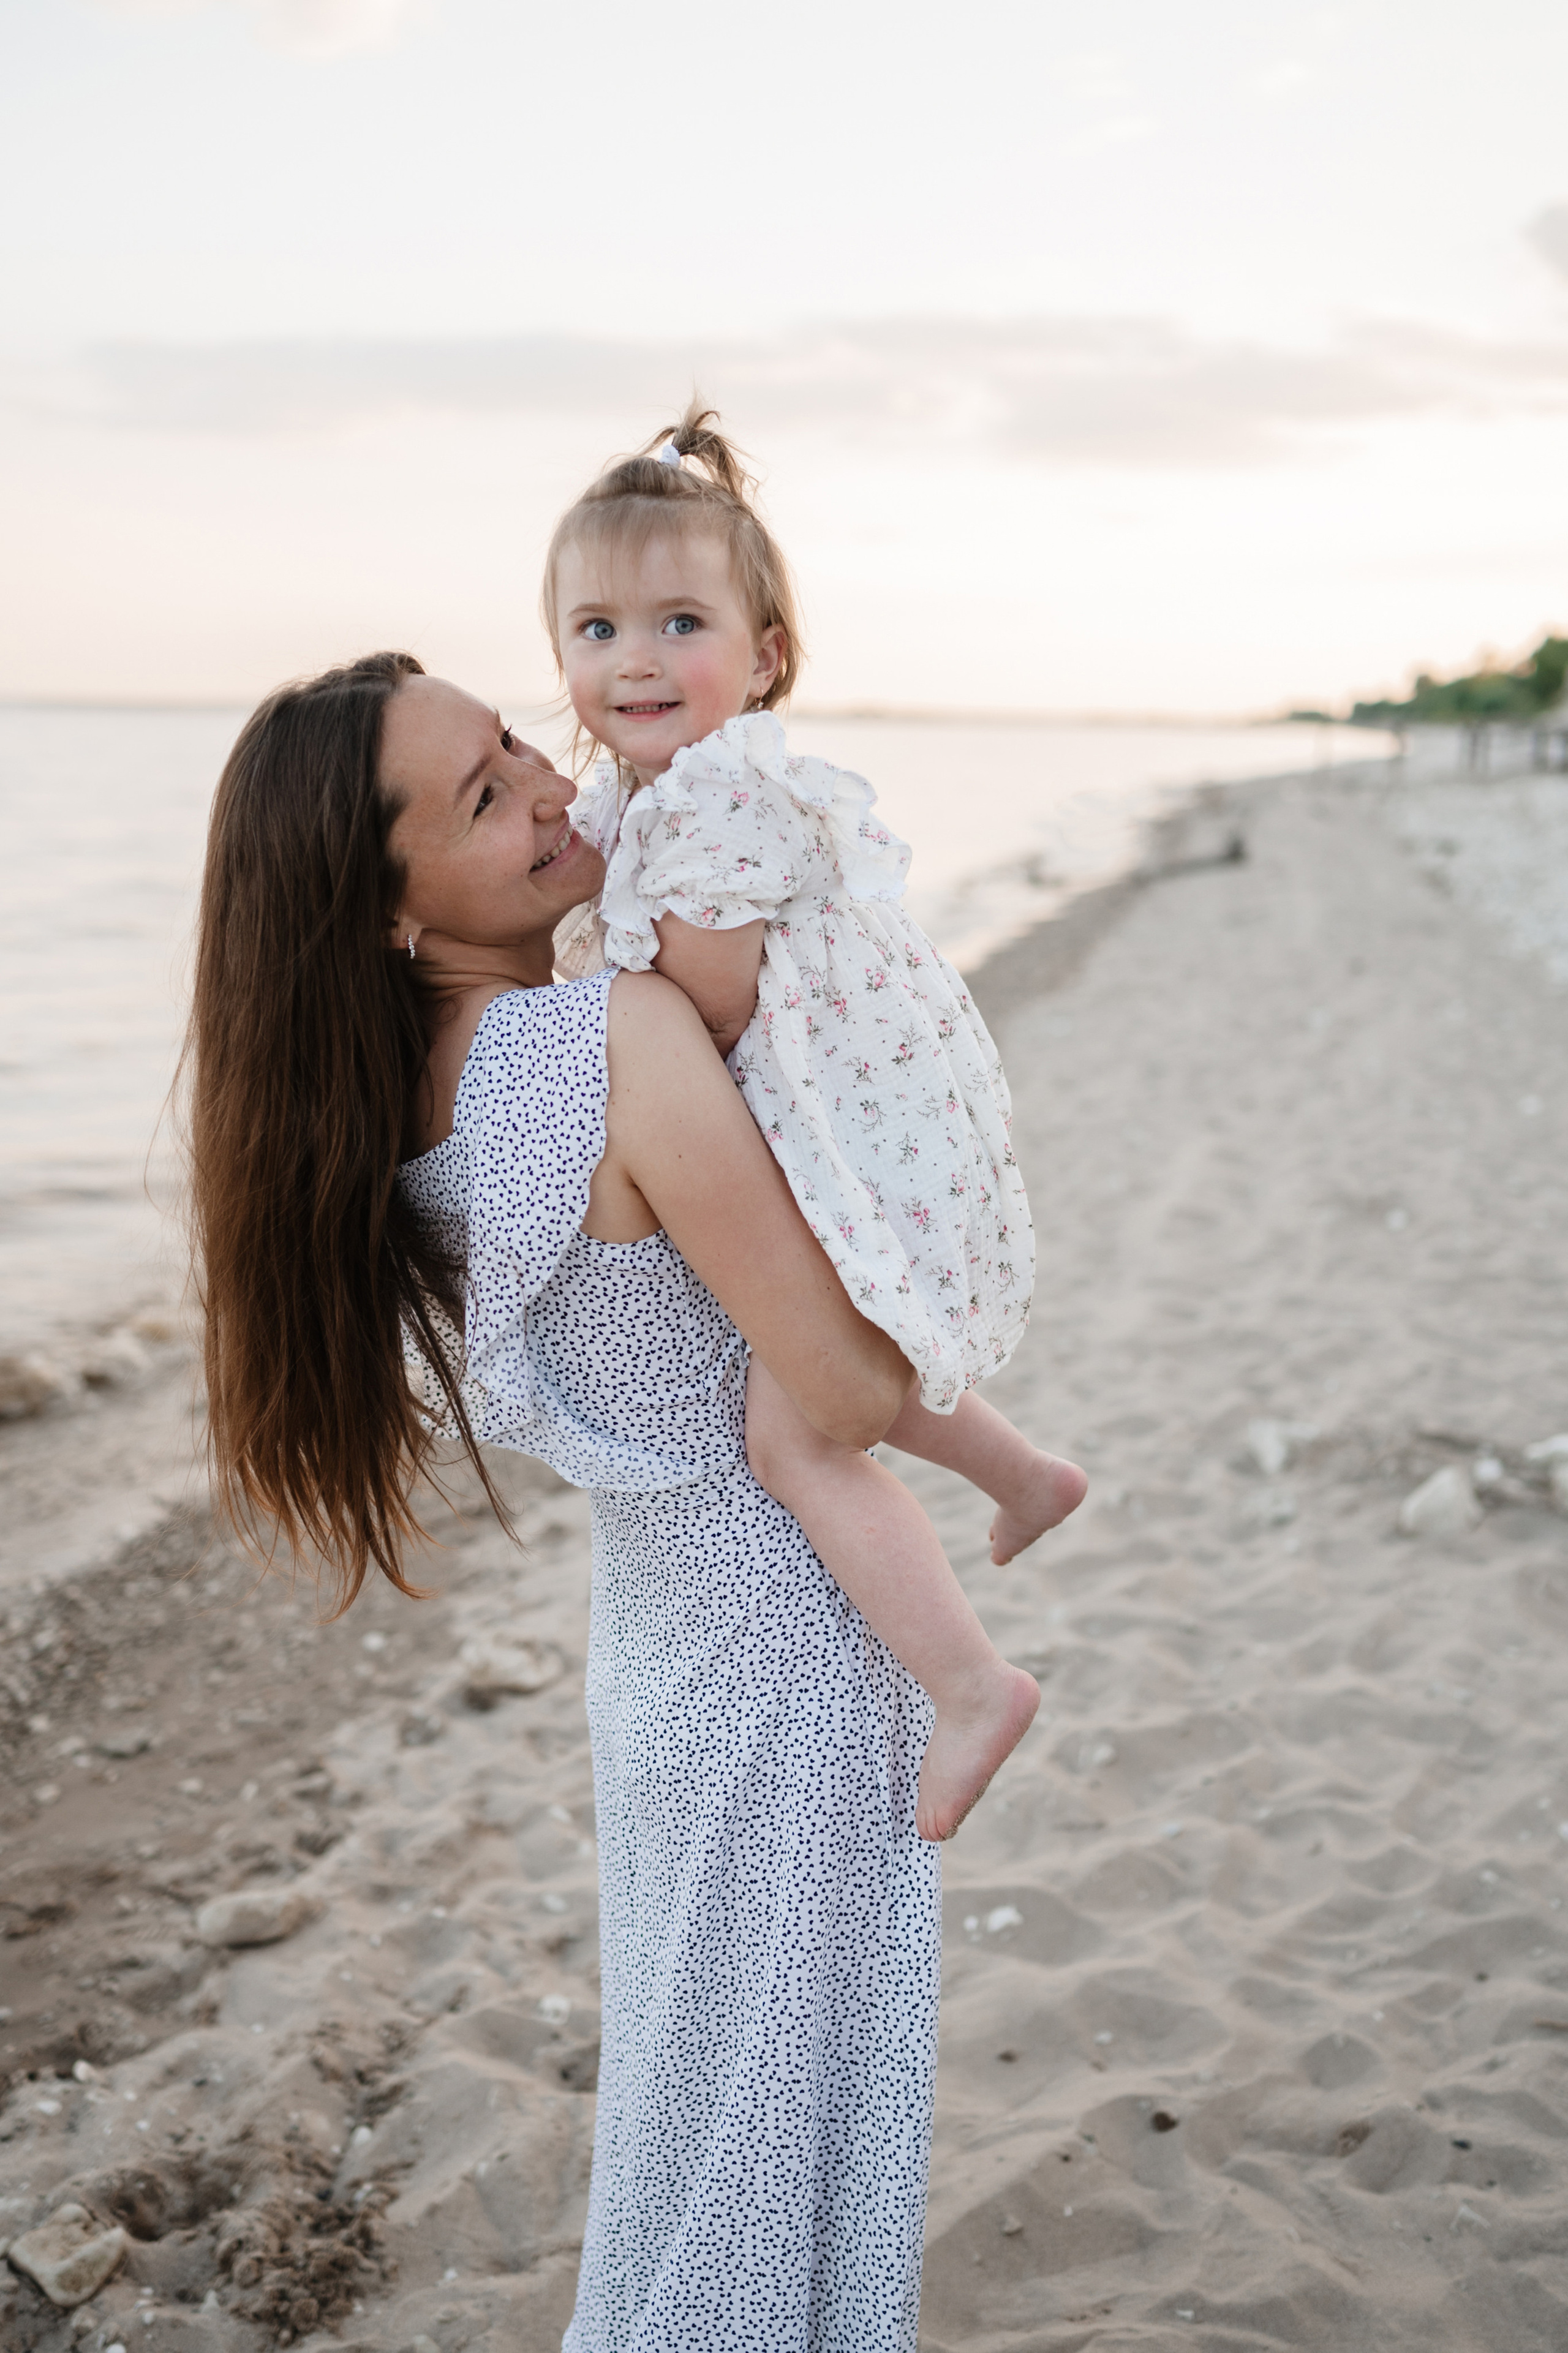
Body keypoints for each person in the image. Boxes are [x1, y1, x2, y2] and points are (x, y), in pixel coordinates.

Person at [186, 651, 941, 2350]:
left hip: (665, 1668)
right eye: (481, 795)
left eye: (514, 737)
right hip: (794, 1662)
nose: (547, 782)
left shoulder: (413, 1111)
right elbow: (845, 1391)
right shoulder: (610, 1034)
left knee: (702, 2145)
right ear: (385, 915)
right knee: (788, 2165)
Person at [542, 404, 1086, 1841]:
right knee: (847, 1349)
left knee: (800, 1437)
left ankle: (970, 1685)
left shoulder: (728, 796)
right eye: (595, 629)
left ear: (766, 653)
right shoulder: (650, 792)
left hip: (859, 1136)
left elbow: (704, 1009)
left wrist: (597, 969)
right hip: (850, 1122)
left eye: (678, 622)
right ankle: (1023, 1473)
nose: (635, 659)